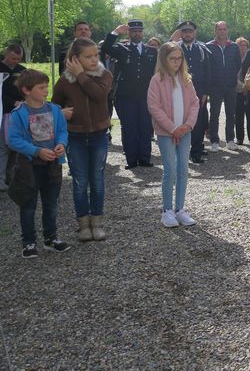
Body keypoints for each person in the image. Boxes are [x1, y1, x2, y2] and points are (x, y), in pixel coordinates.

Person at [52, 38, 113, 241]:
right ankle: (83, 225)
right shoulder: (64, 81)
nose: (94, 59)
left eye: (96, 54)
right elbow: (53, 108)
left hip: (98, 136)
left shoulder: (105, 75)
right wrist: (61, 112)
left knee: (97, 180)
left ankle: (97, 223)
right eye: (88, 56)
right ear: (75, 59)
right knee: (79, 182)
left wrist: (80, 75)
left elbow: (98, 95)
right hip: (75, 137)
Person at [7, 69, 70, 258]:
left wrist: (61, 144)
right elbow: (13, 140)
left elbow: (62, 131)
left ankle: (51, 238)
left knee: (51, 203)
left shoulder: (54, 110)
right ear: (27, 90)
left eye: (46, 87)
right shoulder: (18, 114)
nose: (45, 90)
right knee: (28, 204)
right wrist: (37, 151)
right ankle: (28, 242)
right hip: (28, 166)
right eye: (41, 87)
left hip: (52, 164)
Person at [147, 42, 200, 228]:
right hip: (165, 132)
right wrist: (172, 128)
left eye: (179, 58)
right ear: (164, 59)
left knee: (183, 169)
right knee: (170, 169)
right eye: (172, 59)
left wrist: (188, 125)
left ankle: (180, 209)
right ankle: (167, 210)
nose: (176, 62)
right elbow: (154, 107)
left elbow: (195, 103)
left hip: (185, 131)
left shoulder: (186, 79)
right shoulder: (157, 80)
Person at [101, 19, 158, 170]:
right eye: (134, 31)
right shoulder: (121, 48)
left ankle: (145, 158)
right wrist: (115, 32)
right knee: (129, 127)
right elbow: (105, 48)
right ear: (129, 33)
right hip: (126, 95)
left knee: (145, 127)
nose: (137, 33)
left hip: (146, 95)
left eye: (139, 31)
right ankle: (131, 159)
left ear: (143, 32)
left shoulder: (151, 51)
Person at [170, 21, 211, 164]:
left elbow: (207, 71)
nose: (187, 34)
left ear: (194, 33)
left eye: (190, 31)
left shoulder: (202, 49)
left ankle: (196, 152)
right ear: (181, 33)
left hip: (198, 90)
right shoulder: (175, 48)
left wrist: (206, 91)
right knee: (180, 119)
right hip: (180, 89)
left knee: (198, 121)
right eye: (184, 31)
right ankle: (180, 152)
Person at [206, 21, 242, 151]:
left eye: (224, 29)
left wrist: (232, 76)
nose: (222, 31)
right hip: (215, 86)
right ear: (215, 31)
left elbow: (238, 64)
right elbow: (207, 66)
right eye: (219, 29)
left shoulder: (233, 46)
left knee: (230, 113)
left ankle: (230, 140)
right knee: (214, 113)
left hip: (230, 85)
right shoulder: (208, 46)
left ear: (227, 30)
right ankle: (214, 141)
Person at [0, 43, 25, 190]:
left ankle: (12, 176)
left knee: (16, 146)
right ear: (6, 53)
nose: (15, 62)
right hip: (3, 113)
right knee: (3, 147)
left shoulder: (22, 71)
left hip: (18, 114)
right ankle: (1, 178)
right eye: (13, 58)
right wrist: (12, 102)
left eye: (18, 59)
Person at [234, 37, 250, 145]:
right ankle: (240, 138)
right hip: (238, 90)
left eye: (244, 45)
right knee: (239, 115)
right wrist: (243, 87)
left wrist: (247, 87)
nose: (242, 47)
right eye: (240, 45)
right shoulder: (234, 59)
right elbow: (233, 75)